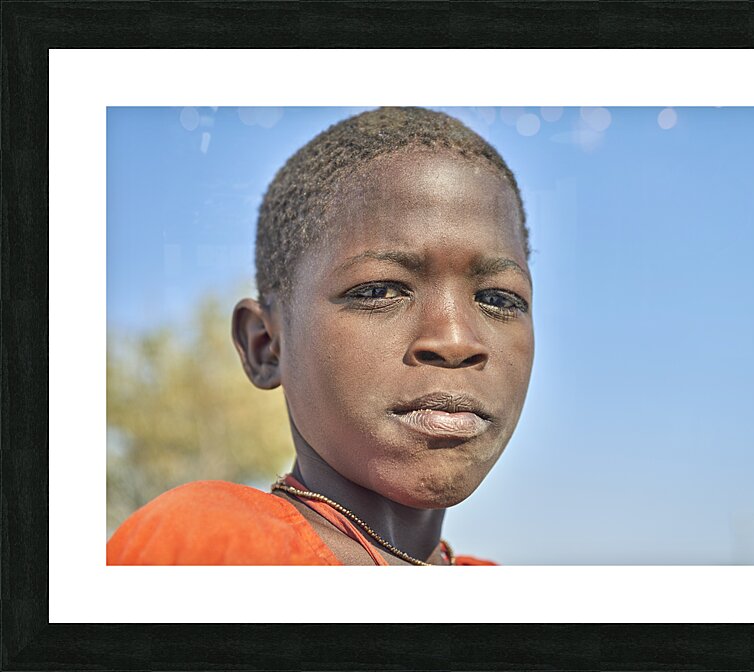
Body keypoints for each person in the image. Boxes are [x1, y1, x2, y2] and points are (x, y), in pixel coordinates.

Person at [107, 107, 535, 565]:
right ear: (265, 345)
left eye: (499, 298)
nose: (455, 341)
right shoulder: (209, 547)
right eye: (379, 291)